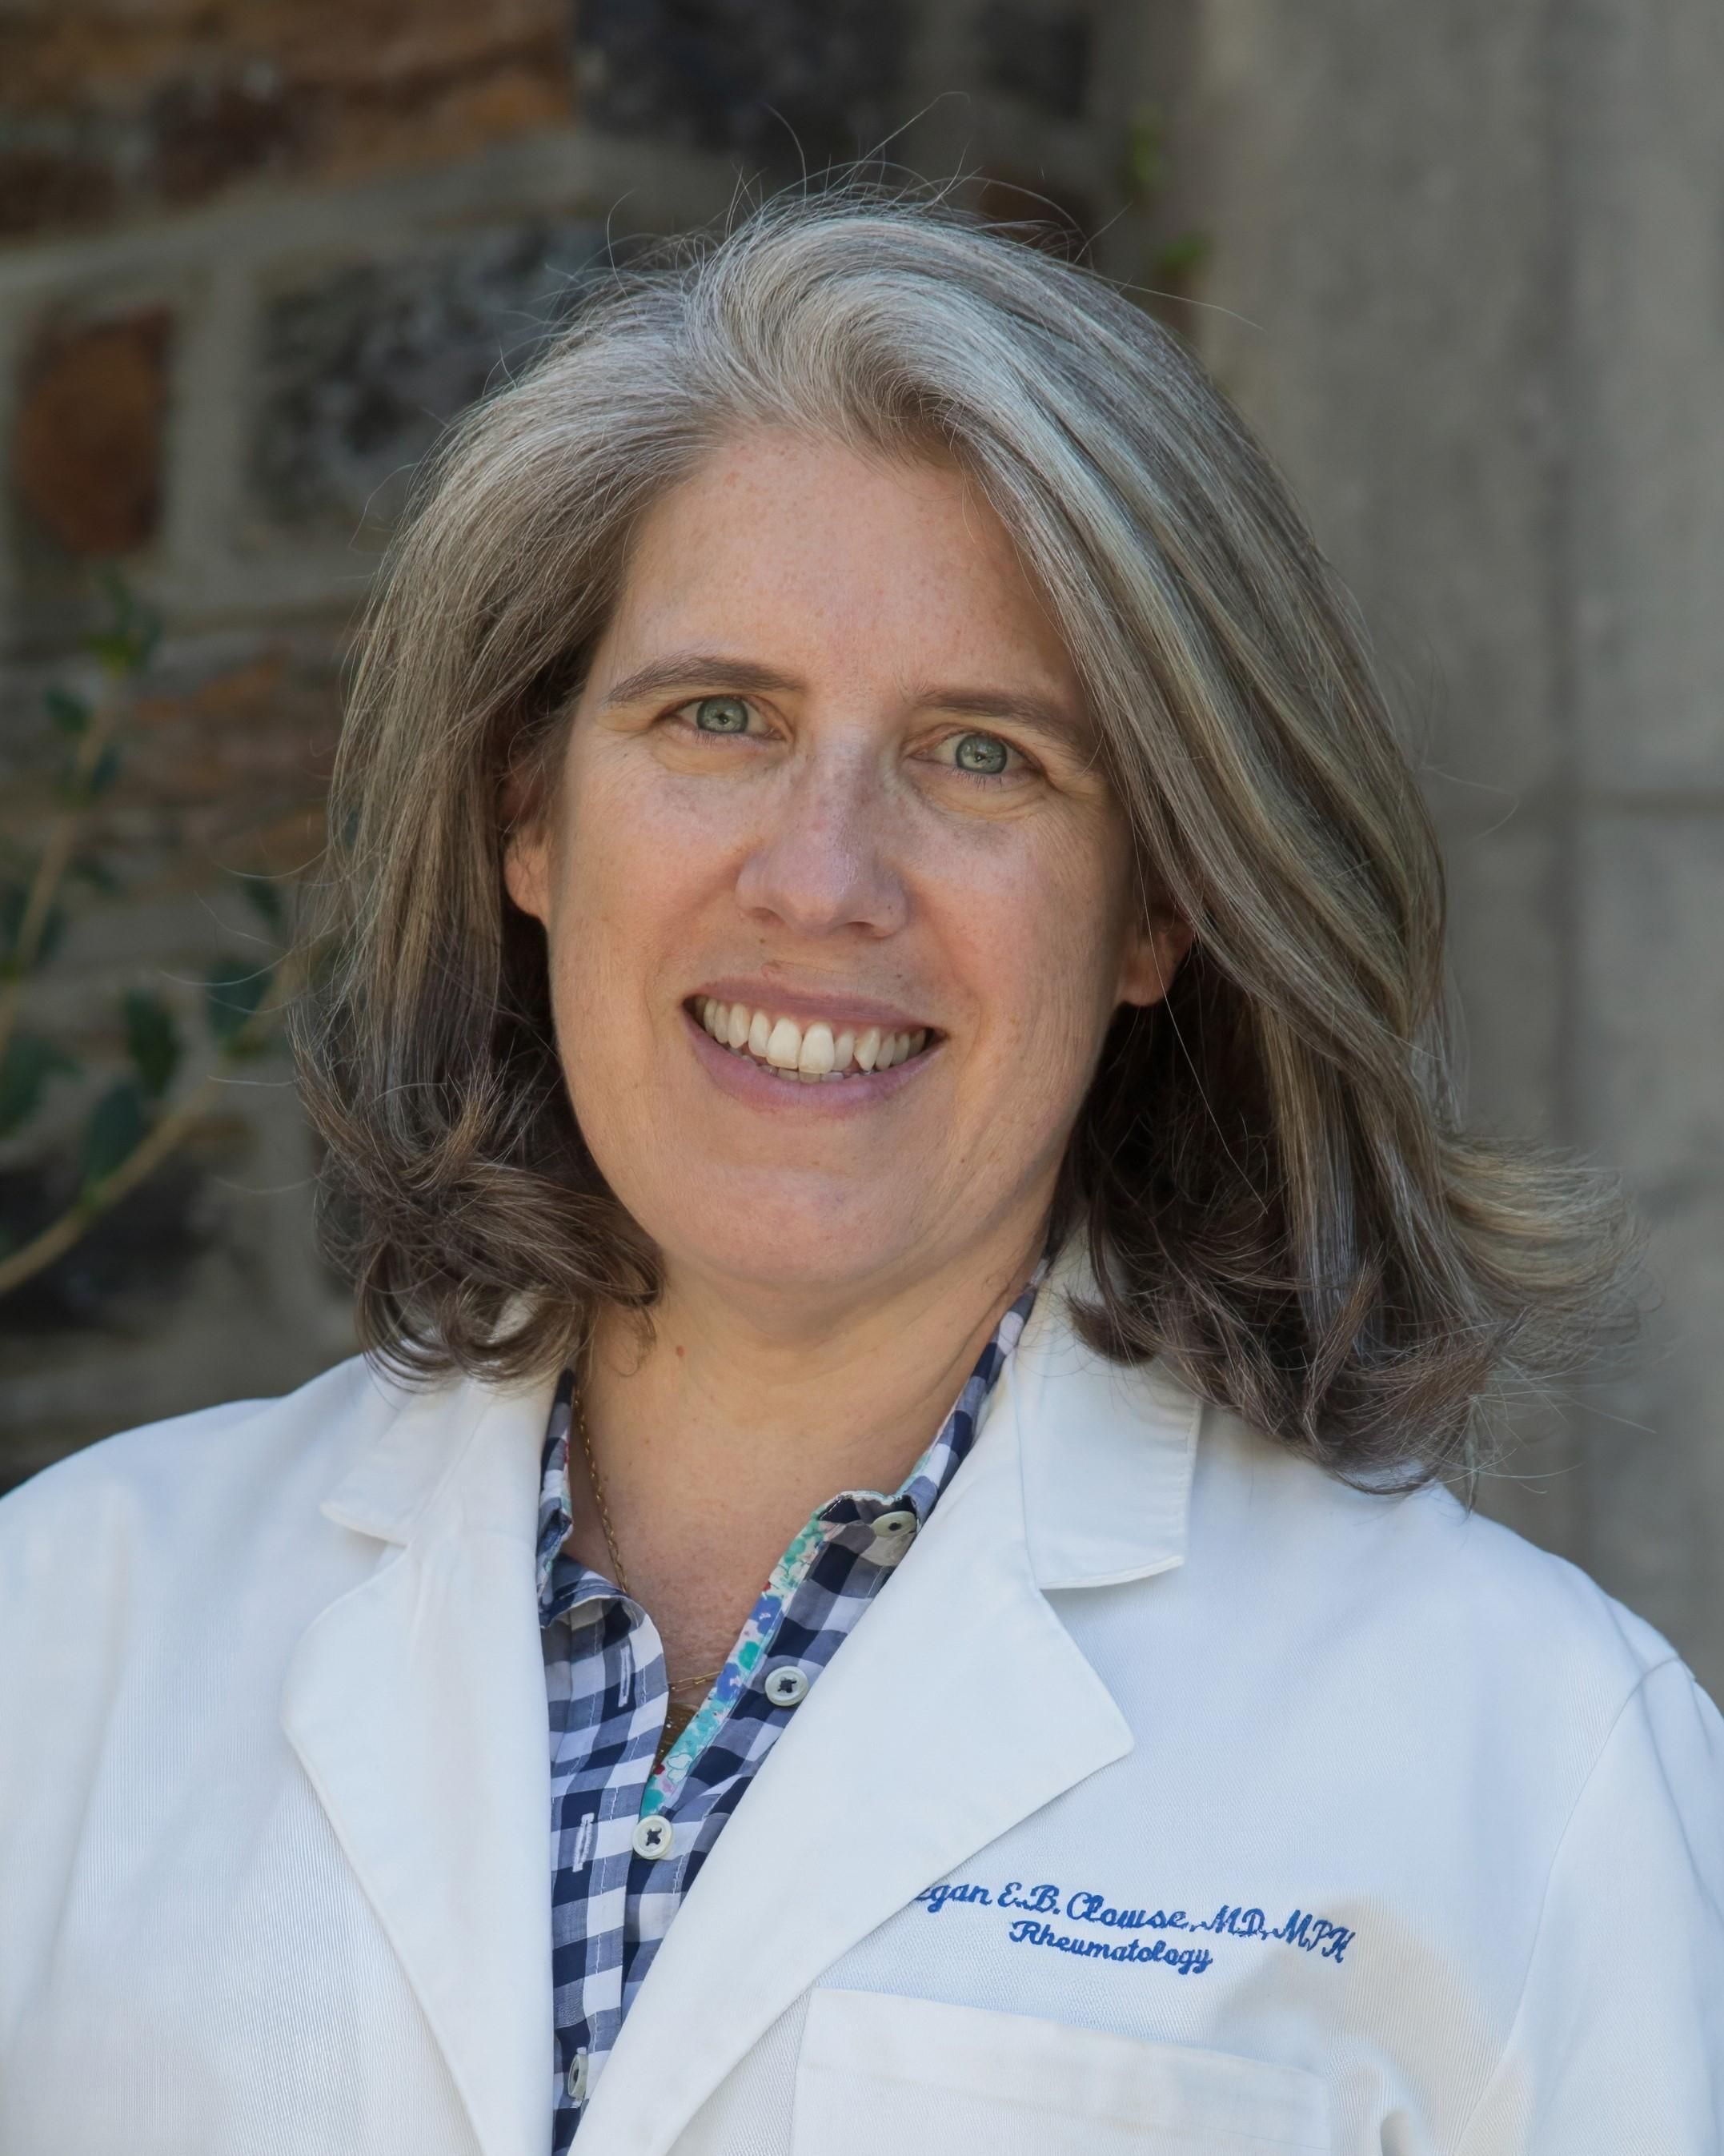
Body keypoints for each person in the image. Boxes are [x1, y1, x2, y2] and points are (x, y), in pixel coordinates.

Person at [0, 190, 1718, 2156]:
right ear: (528, 815)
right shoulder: (65, 1639)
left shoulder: (1531, 1764)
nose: (823, 880)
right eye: (719, 718)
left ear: (1159, 905)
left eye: (984, 755)